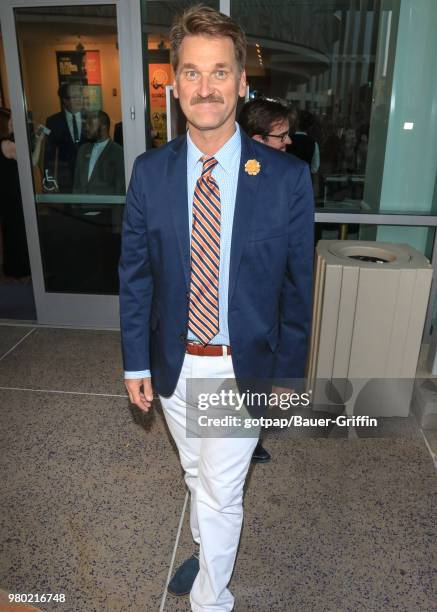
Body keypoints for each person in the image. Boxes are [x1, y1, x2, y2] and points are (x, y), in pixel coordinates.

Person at [119, 6, 314, 611]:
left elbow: (296, 290)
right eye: (193, 73)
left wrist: (285, 375)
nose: (206, 88)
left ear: (241, 83)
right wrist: (135, 364)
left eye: (220, 72)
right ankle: (207, 550)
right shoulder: (149, 174)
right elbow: (137, 276)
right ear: (175, 83)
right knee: (195, 477)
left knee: (224, 491)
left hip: (239, 366)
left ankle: (212, 599)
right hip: (174, 364)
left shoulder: (284, 179)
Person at [238, 96, 293, 464]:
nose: (288, 142)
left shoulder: (289, 178)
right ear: (258, 141)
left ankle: (250, 435)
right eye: (280, 136)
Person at [0, 109, 31, 280]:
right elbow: (30, 160)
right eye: (11, 120)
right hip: (14, 195)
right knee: (19, 232)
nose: (14, 122)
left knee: (10, 231)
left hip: (5, 196)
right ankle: (22, 268)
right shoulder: (8, 145)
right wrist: (39, 140)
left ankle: (11, 268)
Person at [44, 83, 88, 192]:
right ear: (65, 100)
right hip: (65, 177)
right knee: (69, 207)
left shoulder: (90, 118)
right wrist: (49, 179)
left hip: (90, 175)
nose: (79, 100)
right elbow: (49, 153)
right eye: (75, 97)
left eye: (80, 96)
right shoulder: (53, 121)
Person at [73, 110, 125, 195]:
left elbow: (120, 189)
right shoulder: (82, 150)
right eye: (85, 124)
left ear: (103, 126)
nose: (86, 128)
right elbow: (76, 185)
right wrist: (74, 206)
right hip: (82, 206)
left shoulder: (117, 152)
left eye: (90, 124)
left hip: (104, 207)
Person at [287, 109, 320, 174]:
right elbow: (315, 168)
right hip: (304, 178)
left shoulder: (287, 140)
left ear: (296, 123)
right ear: (309, 127)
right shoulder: (313, 143)